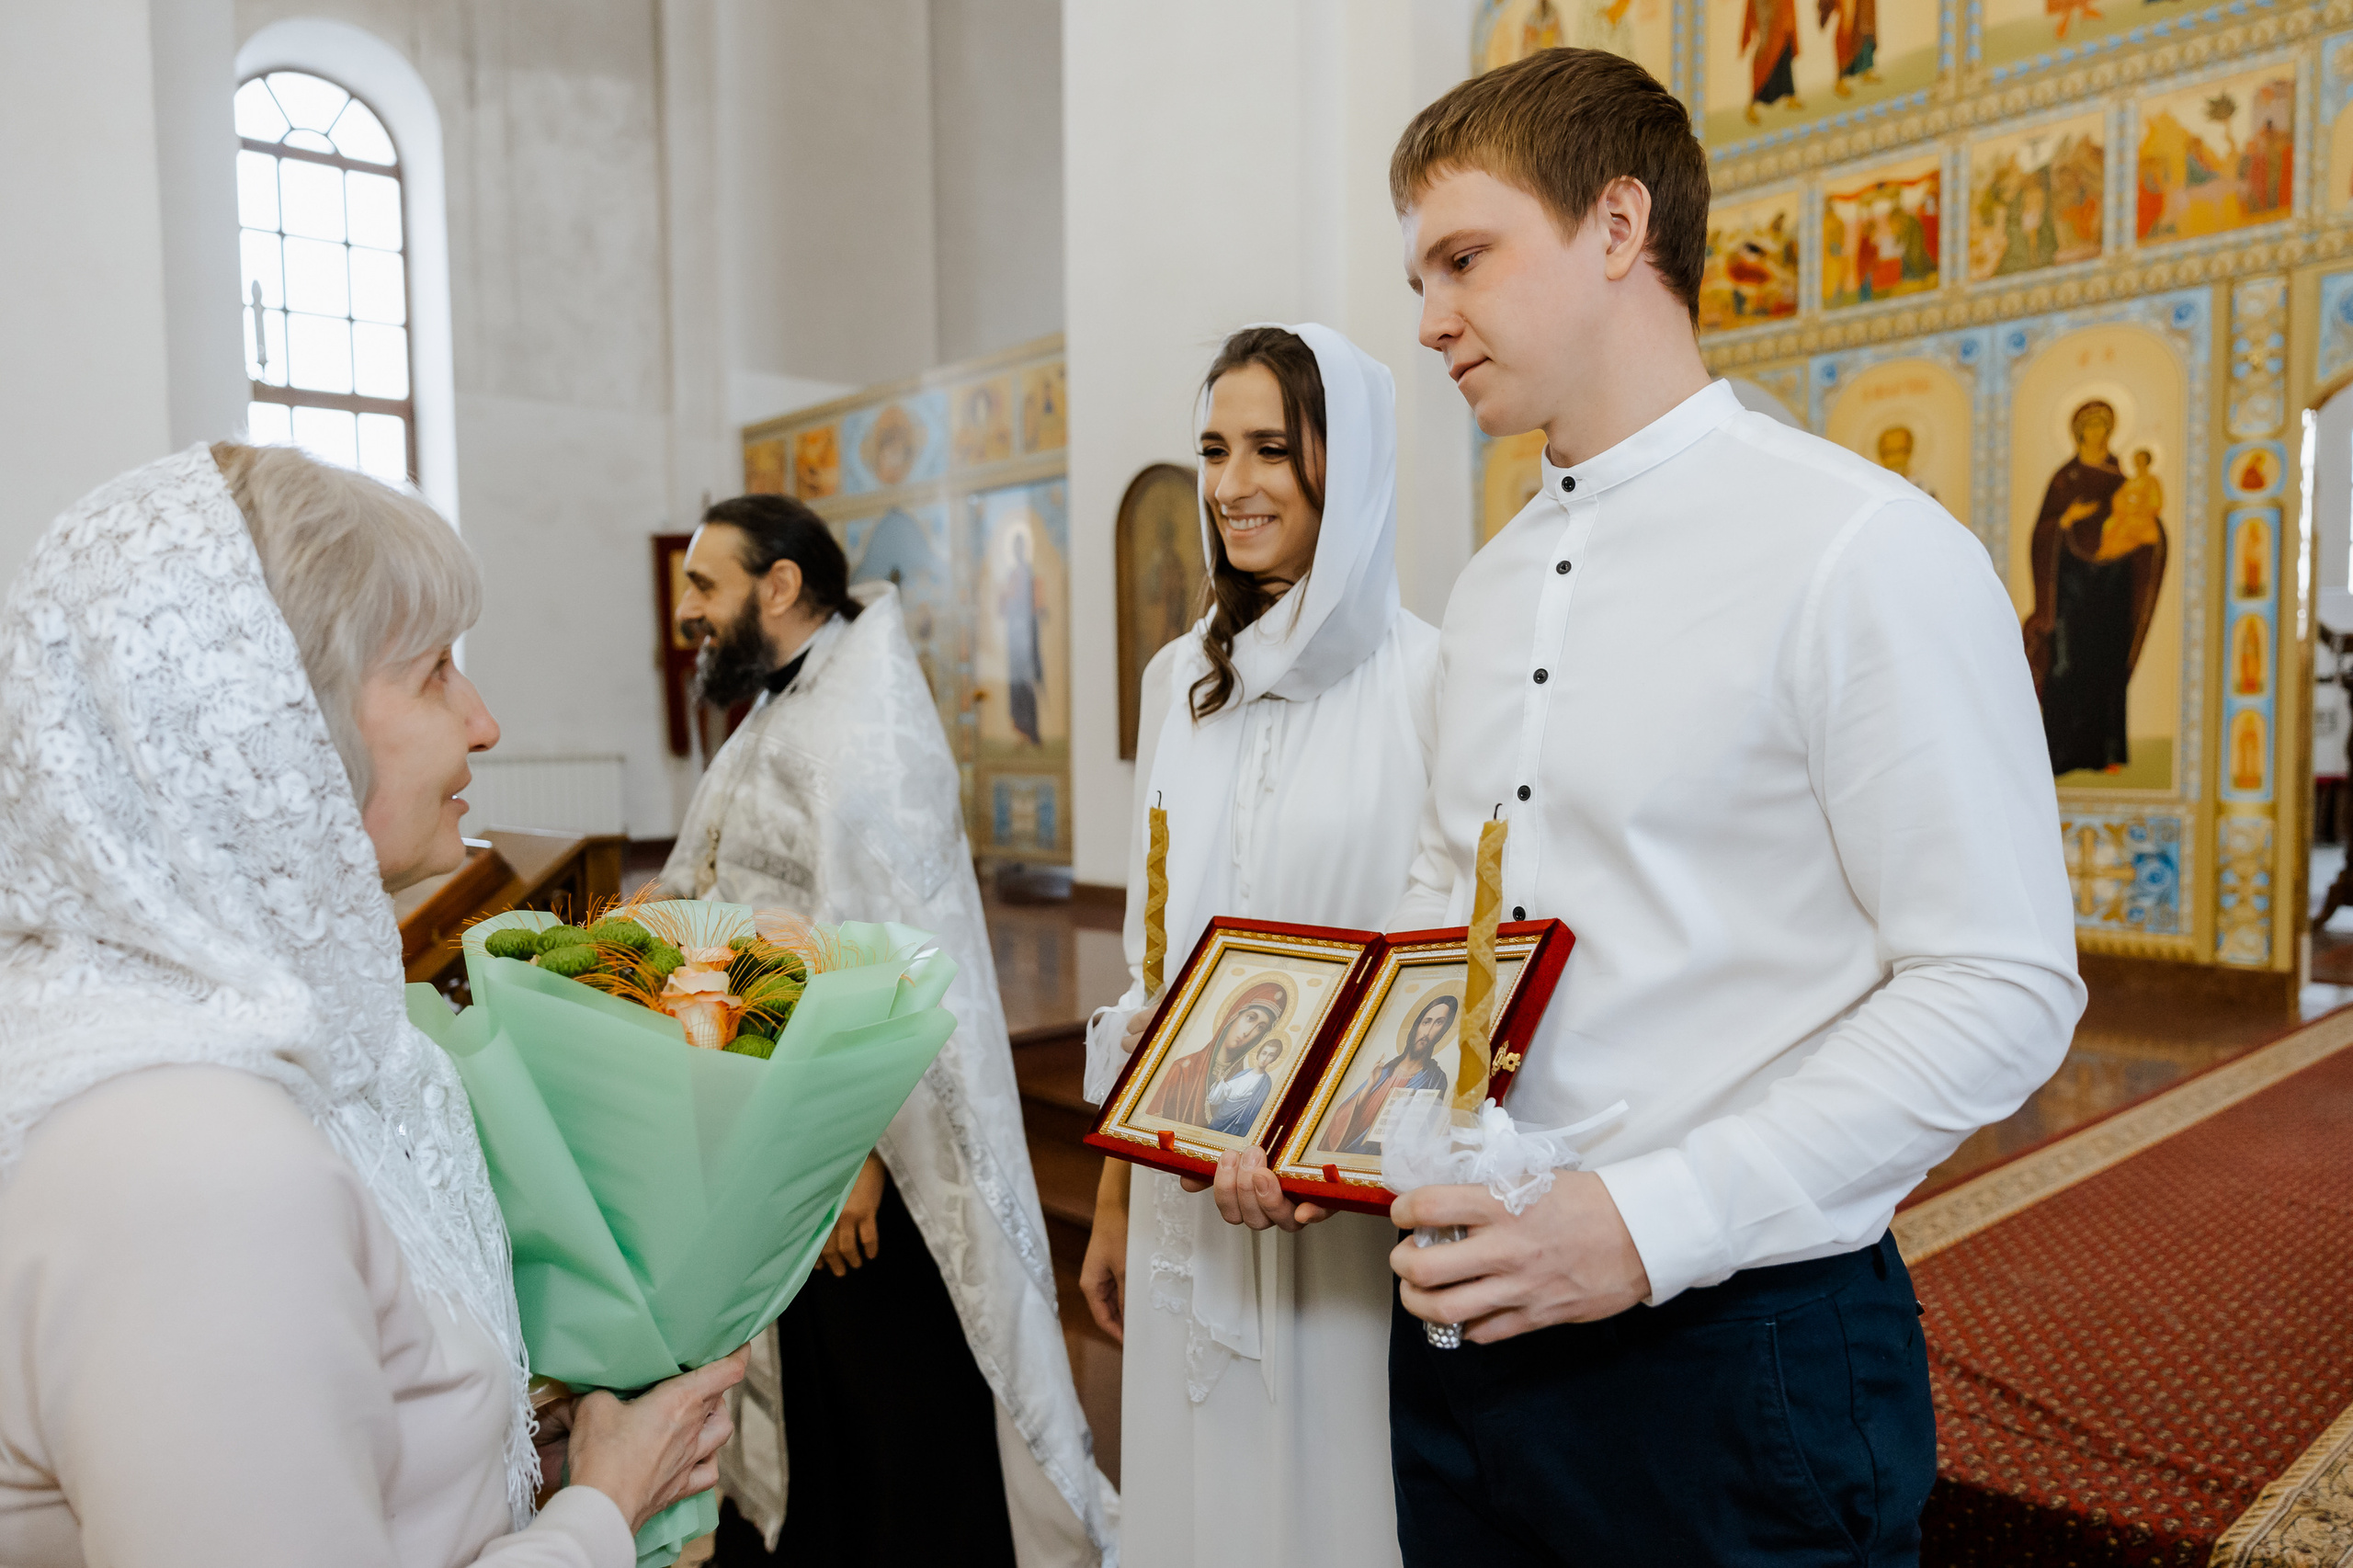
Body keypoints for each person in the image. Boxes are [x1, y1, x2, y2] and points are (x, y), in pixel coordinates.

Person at [1383, 49, 2082, 1564]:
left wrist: (1648, 1223)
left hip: (1736, 1354)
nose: (1429, 316)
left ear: (1619, 227)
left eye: (1465, 257)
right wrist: (1334, 1122)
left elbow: (2001, 983)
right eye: (1422, 271)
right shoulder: (1489, 587)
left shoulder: (1859, 549)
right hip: (1471, 1336)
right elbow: (1457, 919)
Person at [0, 442, 745, 1568]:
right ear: (266, 718)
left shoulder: (238, 1036)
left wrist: (512, 1452)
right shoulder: (190, 1164)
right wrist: (605, 1503)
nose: (484, 720)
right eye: (436, 669)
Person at [659, 495, 1114, 1568]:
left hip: (863, 1154)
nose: (687, 611)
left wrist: (857, 1147)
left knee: (890, 1410)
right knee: (828, 1408)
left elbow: (895, 952)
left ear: (778, 587)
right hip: (785, 1122)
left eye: (703, 585)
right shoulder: (790, 705)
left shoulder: (862, 724)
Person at [1076, 323, 1439, 1568]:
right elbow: (1152, 960)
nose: (1231, 484)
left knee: (1338, 1500)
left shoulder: (1435, 680)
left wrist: (1324, 1156)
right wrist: (1120, 1198)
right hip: (1193, 1199)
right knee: (1198, 1501)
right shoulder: (1182, 678)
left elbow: (1442, 968)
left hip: (1344, 1215)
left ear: (1356, 462)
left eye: (1272, 448)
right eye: (1215, 449)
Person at [2023, 400, 2166, 775]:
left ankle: (2106, 753)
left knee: (2106, 663)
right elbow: (2042, 531)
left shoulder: (2122, 479)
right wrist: (2067, 519)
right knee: (2066, 663)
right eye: (2090, 426)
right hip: (2071, 586)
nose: (2096, 433)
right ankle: (2061, 754)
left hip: (2112, 584)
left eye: (2103, 426)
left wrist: (2147, 537)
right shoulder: (2064, 479)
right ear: (2078, 432)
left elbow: (2144, 521)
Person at [1324, 994, 1458, 1156]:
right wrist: (1370, 1086)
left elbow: (1425, 1130)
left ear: (1444, 1031)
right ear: (1417, 1026)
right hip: (1349, 1153)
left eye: (1438, 1023)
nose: (1428, 1031)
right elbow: (1338, 1121)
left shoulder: (1435, 1080)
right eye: (1426, 1022)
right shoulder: (1385, 1071)